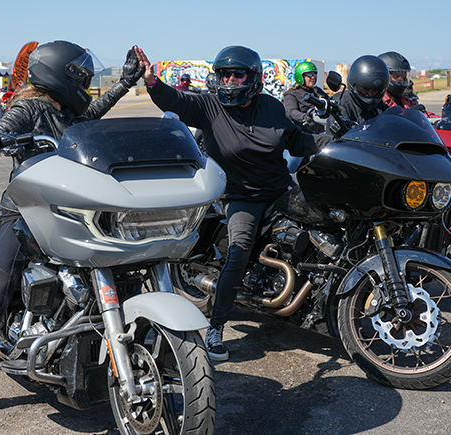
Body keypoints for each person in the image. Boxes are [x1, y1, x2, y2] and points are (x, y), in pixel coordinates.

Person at [0, 40, 145, 428]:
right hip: (24, 211)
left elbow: (90, 116)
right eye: (81, 76)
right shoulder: (29, 106)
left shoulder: (67, 108)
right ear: (59, 75)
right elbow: (6, 126)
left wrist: (123, 84)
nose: (86, 82)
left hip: (69, 207)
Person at [136, 45, 331, 362]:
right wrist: (152, 81)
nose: (229, 81)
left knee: (332, 218)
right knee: (239, 250)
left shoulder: (271, 107)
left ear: (254, 77)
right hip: (241, 196)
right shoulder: (210, 107)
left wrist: (339, 140)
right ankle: (215, 328)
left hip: (281, 188)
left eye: (237, 74)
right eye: (224, 74)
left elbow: (299, 140)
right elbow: (175, 101)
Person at [328, 55, 389, 132]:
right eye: (366, 89)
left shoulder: (379, 105)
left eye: (375, 91)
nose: (370, 94)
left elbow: (392, 116)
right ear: (354, 86)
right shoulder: (342, 107)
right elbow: (341, 139)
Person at [378, 51, 439, 118]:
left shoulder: (404, 99)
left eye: (404, 75)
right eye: (397, 75)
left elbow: (422, 114)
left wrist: (442, 119)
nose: (401, 79)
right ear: (384, 75)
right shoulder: (378, 103)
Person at [282, 61, 328, 134]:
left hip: (320, 133)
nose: (313, 77)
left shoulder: (317, 91)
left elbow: (329, 103)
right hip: (302, 134)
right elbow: (291, 112)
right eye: (309, 75)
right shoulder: (291, 94)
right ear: (300, 76)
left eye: (314, 74)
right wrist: (306, 117)